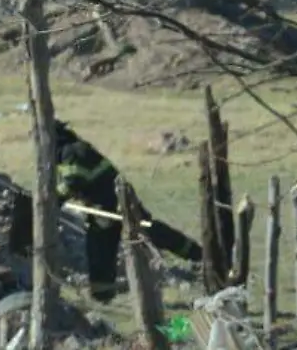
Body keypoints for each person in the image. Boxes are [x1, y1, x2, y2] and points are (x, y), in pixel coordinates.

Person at [53, 118, 201, 300]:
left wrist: (53, 199)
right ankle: (102, 294)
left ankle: (197, 256)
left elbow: (73, 182)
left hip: (116, 202)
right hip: (103, 205)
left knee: (146, 231)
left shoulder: (72, 151)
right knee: (100, 247)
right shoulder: (71, 150)